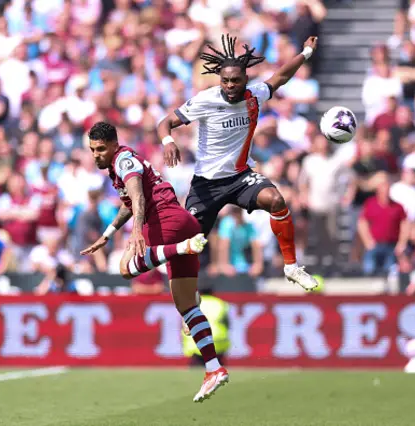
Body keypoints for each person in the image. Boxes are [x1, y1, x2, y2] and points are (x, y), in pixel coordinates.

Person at [157, 33, 319, 291]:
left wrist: (306, 53)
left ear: (245, 79)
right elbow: (164, 122)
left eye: (235, 80)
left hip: (240, 177)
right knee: (188, 247)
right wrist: (167, 140)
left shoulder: (254, 95)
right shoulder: (205, 100)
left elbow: (280, 77)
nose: (230, 85)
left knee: (276, 200)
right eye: (225, 81)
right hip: (206, 184)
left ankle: (291, 267)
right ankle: (188, 304)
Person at [80, 122, 228, 403]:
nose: (95, 155)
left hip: (163, 223)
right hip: (184, 221)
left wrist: (137, 230)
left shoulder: (123, 160)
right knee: (186, 306)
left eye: (100, 149)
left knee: (125, 269)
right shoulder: (123, 162)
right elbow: (128, 201)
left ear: (113, 145)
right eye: (92, 150)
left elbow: (137, 195)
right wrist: (108, 234)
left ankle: (181, 248)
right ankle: (214, 367)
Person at [182, 286, 230, 368]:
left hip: (196, 340)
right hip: (217, 340)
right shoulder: (221, 303)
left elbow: (185, 324)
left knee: (196, 367)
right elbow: (227, 323)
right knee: (217, 367)